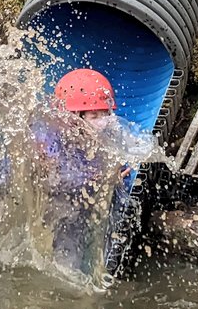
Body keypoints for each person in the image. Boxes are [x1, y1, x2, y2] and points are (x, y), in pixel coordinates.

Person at [31, 69, 130, 275]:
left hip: (78, 206)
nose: (103, 123)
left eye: (106, 114)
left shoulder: (105, 132)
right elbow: (53, 181)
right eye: (95, 116)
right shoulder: (47, 139)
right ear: (73, 117)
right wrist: (101, 179)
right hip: (53, 204)